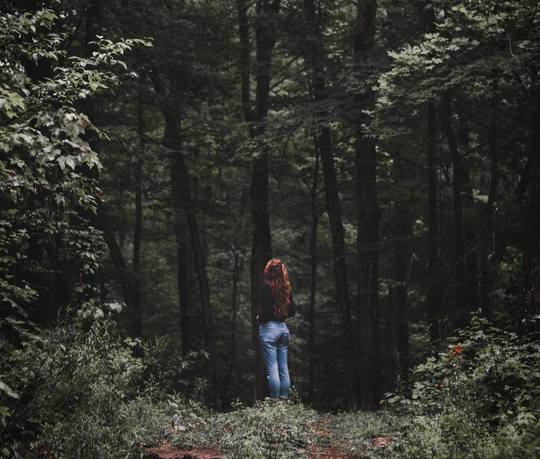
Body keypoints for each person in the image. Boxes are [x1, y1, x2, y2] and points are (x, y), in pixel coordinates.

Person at [258, 258, 296, 401]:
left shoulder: (267, 288)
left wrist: (259, 318)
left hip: (270, 330)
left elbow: (267, 313)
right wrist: (280, 313)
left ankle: (274, 402)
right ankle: (283, 400)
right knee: (283, 369)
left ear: (268, 271)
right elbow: (292, 312)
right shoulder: (286, 289)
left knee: (272, 369)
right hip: (283, 330)